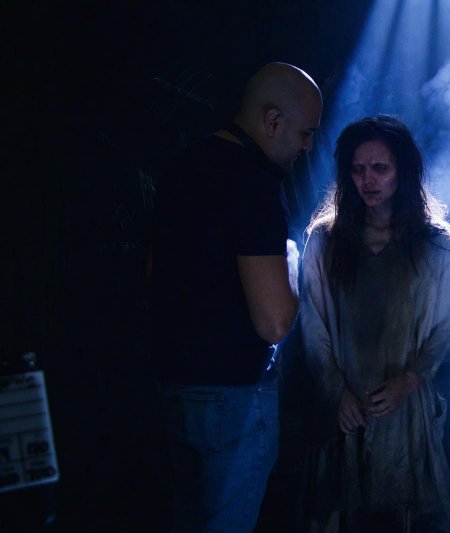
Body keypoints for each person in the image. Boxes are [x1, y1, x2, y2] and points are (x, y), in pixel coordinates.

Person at [151, 62, 322, 531]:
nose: (308, 147)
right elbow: (275, 322)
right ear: (273, 121)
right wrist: (292, 268)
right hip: (231, 400)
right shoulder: (253, 183)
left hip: (173, 388)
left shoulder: (183, 166)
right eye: (306, 133)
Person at [300, 115, 450, 532]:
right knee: (340, 507)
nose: (368, 180)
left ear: (402, 170)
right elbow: (314, 326)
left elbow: (447, 327)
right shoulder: (325, 241)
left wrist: (411, 379)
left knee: (402, 511)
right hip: (344, 408)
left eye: (380, 168)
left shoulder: (435, 244)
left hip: (405, 409)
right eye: (358, 169)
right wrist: (337, 391)